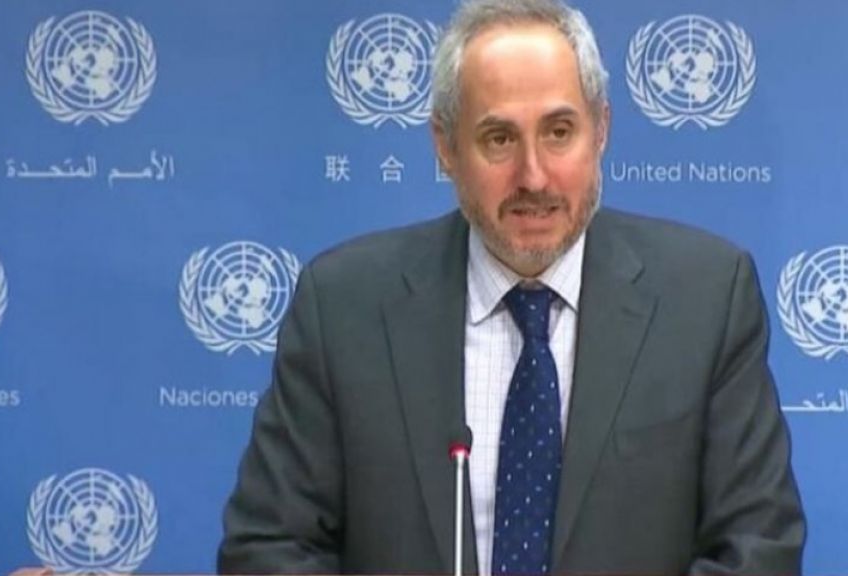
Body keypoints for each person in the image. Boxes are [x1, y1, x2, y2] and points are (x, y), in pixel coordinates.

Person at [218, 0, 805, 574]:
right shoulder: (343, 307)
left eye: (559, 131)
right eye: (499, 138)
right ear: (445, 147)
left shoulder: (705, 300)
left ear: (601, 130)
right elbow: (269, 548)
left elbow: (758, 549)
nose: (534, 176)